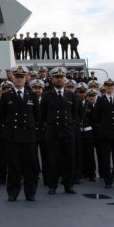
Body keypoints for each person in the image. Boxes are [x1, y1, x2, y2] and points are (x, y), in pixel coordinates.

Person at [0, 65, 39, 201]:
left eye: (22, 77)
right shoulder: (6, 96)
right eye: (17, 77)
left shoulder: (32, 95)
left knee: (30, 165)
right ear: (12, 78)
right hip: (13, 135)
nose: (19, 79)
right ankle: (13, 192)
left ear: (26, 78)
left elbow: (37, 115)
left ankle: (30, 192)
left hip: (28, 135)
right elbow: (1, 115)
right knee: (13, 165)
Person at [41, 67, 78, 195]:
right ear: (52, 79)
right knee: (53, 159)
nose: (59, 79)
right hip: (53, 131)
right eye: (56, 77)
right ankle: (52, 185)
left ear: (64, 79)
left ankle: (69, 185)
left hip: (67, 131)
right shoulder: (47, 95)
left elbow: (75, 115)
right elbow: (42, 114)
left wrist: (72, 128)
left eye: (61, 77)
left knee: (69, 159)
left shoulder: (71, 96)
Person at [95, 79, 114, 189]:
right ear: (105, 87)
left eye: (111, 86)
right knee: (106, 159)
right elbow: (97, 116)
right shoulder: (100, 100)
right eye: (107, 86)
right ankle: (108, 180)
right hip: (105, 133)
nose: (109, 88)